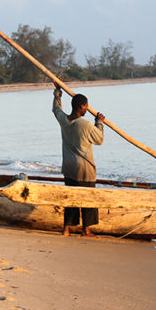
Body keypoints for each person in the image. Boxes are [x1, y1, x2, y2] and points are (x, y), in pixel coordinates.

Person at [52, 82, 105, 237]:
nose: (87, 109)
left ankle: (66, 229)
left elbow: (56, 109)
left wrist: (57, 92)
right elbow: (99, 139)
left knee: (71, 198)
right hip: (83, 168)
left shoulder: (64, 120)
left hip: (68, 167)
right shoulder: (86, 125)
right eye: (86, 106)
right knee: (88, 198)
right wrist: (99, 122)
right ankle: (86, 230)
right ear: (81, 107)